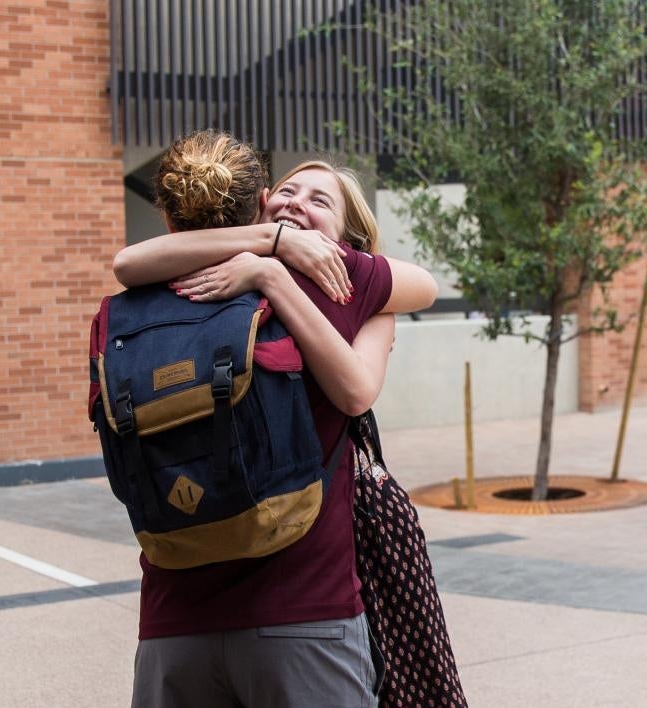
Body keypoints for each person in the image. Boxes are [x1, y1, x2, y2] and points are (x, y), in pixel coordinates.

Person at [112, 131, 465, 706]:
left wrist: (273, 268)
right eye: (288, 192)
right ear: (260, 204)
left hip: (174, 616)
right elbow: (417, 294)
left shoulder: (335, 275)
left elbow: (127, 264)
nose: (299, 203)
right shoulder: (284, 269)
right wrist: (271, 251)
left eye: (321, 201)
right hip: (304, 613)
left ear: (348, 241)